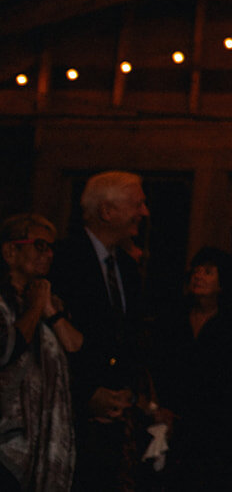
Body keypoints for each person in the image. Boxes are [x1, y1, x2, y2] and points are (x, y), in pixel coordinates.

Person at [48, 171, 149, 492]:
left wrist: (125, 393)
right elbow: (52, 343)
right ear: (107, 212)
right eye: (137, 204)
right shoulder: (62, 260)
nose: (143, 213)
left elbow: (127, 338)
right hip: (70, 423)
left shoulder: (129, 269)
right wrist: (88, 394)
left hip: (114, 430)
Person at [149, 247, 232, 490]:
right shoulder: (174, 320)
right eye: (196, 271)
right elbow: (159, 368)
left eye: (207, 272)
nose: (199, 276)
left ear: (222, 281)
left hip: (218, 436)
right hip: (174, 429)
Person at [1, 213, 80, 492]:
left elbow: (74, 345)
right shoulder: (3, 302)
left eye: (51, 248)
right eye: (39, 245)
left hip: (44, 440)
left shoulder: (50, 300)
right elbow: (6, 347)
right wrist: (35, 307)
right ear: (11, 250)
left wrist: (49, 310)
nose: (48, 254)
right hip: (8, 445)